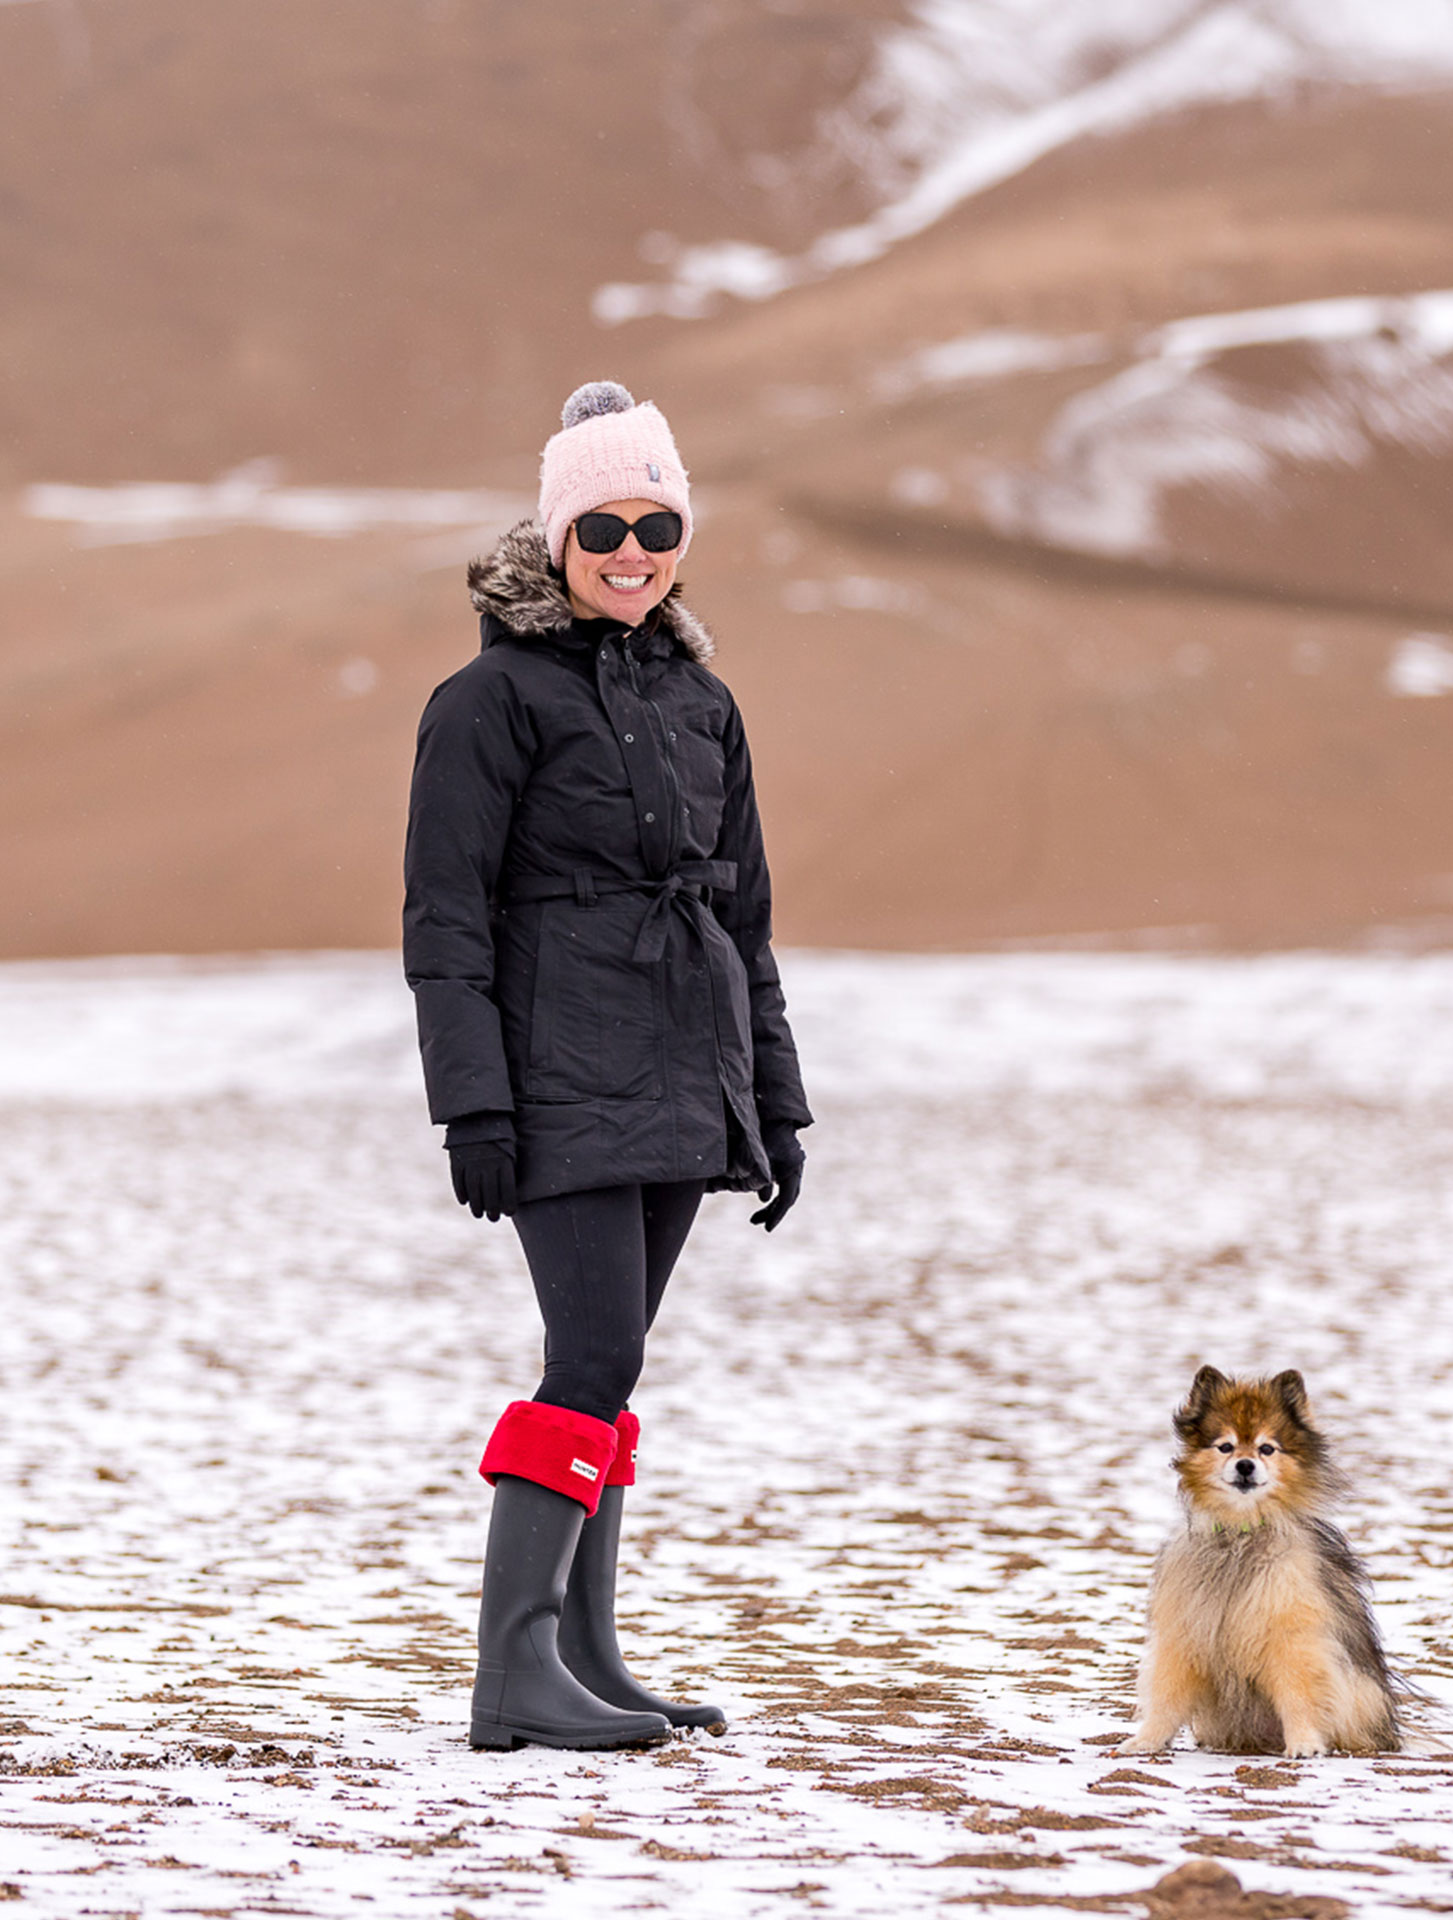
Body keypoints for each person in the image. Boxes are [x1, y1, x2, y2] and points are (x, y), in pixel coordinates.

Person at [403, 382, 810, 1752]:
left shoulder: (704, 701)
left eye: (658, 523)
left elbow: (744, 917)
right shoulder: (487, 701)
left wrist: (776, 1105)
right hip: (559, 1074)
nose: (632, 549)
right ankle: (513, 1676)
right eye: (604, 524)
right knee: (591, 1355)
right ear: (558, 531)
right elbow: (444, 920)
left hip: (684, 1075)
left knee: (613, 1371)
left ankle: (589, 1659)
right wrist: (473, 1105)